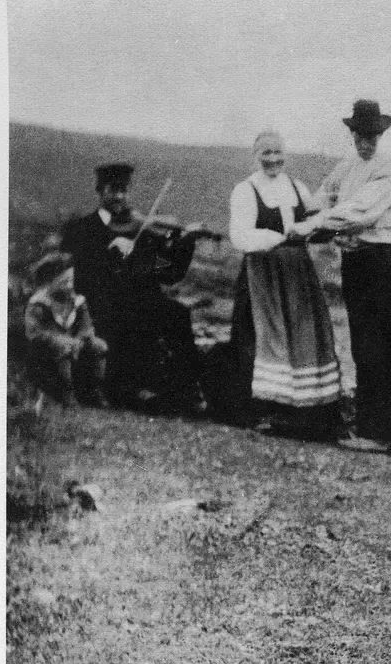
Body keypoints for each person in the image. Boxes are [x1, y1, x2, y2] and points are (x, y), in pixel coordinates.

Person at [300, 100, 391, 452]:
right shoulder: (346, 167)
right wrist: (307, 214)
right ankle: (369, 426)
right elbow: (323, 198)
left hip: (381, 260)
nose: (366, 142)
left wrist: (313, 225)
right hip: (355, 261)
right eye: (360, 135)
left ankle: (382, 432)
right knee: (363, 344)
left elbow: (360, 212)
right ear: (352, 134)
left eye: (373, 136)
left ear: (381, 135)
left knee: (378, 342)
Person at [60, 162, 207, 414]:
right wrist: (112, 255)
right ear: (100, 191)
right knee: (130, 318)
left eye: (124, 191)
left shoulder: (142, 230)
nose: (119, 197)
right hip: (102, 303)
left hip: (143, 300)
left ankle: (187, 388)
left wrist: (186, 242)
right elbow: (80, 278)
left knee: (177, 313)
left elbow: (169, 273)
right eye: (113, 190)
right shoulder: (82, 228)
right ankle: (132, 389)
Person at [228, 129, 342, 440]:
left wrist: (324, 222)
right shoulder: (246, 190)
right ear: (256, 156)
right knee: (261, 335)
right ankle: (263, 410)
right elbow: (240, 234)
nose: (273, 159)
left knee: (304, 332)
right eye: (266, 153)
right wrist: (279, 238)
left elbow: (315, 224)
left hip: (297, 272)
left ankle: (306, 410)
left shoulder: (297, 187)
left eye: (278, 152)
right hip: (262, 272)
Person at [24, 251, 108, 407]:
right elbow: (35, 333)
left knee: (99, 346)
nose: (69, 285)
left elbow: (86, 325)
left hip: (73, 344)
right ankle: (66, 393)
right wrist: (60, 340)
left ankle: (94, 390)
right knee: (64, 347)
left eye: (71, 280)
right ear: (49, 281)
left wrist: (83, 338)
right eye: (64, 281)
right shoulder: (39, 303)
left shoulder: (76, 301)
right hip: (46, 350)